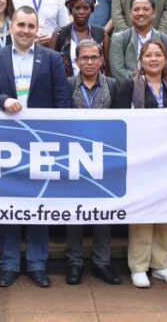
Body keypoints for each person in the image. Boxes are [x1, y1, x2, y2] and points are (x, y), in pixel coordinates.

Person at [0, 6, 72, 288]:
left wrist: (59, 140)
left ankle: (37, 264)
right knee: (9, 204)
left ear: (37, 29)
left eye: (31, 26)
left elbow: (62, 101)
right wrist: (3, 101)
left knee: (38, 204)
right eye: (21, 25)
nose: (25, 30)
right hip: (6, 143)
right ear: (11, 26)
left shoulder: (53, 58)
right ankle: (8, 264)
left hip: (42, 145)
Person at [115, 39, 167, 288]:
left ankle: (161, 264)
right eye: (148, 55)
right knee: (143, 211)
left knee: (166, 211)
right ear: (140, 60)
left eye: (158, 55)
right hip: (140, 158)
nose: (153, 59)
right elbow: (119, 121)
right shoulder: (129, 85)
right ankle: (139, 265)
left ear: (165, 59)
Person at [64, 39, 121, 286]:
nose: (89, 62)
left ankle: (102, 263)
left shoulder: (114, 85)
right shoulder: (66, 86)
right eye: (83, 58)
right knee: (74, 213)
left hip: (104, 158)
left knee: (103, 213)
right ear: (76, 62)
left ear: (101, 60)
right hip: (73, 157)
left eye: (93, 58)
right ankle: (74, 263)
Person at [109, 0, 167, 83]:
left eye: (146, 9)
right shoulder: (119, 39)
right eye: (136, 9)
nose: (141, 13)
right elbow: (118, 72)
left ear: (154, 14)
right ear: (130, 14)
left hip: (158, 91)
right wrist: (137, 87)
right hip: (129, 92)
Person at [49, 0, 110, 77]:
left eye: (86, 8)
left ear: (91, 10)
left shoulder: (101, 34)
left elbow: (107, 68)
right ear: (71, 10)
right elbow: (52, 67)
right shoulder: (59, 34)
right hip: (68, 87)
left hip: (97, 88)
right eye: (77, 8)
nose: (81, 12)